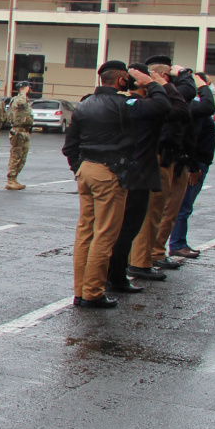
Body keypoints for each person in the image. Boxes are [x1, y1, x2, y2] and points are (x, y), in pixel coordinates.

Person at [61, 60, 161, 309]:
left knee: (86, 232)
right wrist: (152, 83)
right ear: (121, 81)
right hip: (110, 171)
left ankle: (80, 290)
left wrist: (79, 168)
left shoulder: (84, 105)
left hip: (87, 169)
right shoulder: (124, 104)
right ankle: (93, 292)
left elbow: (70, 146)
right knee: (105, 234)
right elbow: (162, 107)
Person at [105, 63, 180, 294]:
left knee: (105, 230)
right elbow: (177, 109)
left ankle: (98, 282)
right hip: (137, 173)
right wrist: (157, 84)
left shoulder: (103, 102)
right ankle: (114, 279)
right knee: (127, 229)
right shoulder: (143, 106)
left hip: (113, 170)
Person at [128, 56, 196, 280]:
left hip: (134, 162)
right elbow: (182, 108)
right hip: (153, 160)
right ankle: (140, 262)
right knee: (151, 213)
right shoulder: (151, 105)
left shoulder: (124, 102)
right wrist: (160, 84)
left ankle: (133, 261)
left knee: (141, 214)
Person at [168, 72, 215, 259]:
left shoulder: (192, 107)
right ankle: (177, 243)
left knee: (182, 205)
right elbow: (191, 140)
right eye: (206, 85)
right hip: (193, 163)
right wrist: (194, 167)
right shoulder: (194, 108)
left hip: (197, 162)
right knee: (183, 205)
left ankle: (177, 242)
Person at [6, 81, 34, 190]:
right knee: (16, 155)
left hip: (25, 131)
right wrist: (23, 92)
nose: (29, 89)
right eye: (28, 87)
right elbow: (21, 103)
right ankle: (11, 179)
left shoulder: (25, 100)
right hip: (18, 131)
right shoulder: (18, 99)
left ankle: (15, 178)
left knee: (22, 157)